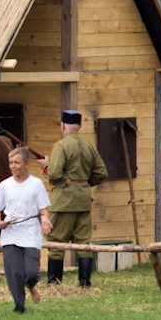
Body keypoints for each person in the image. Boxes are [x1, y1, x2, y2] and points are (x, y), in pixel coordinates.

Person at [39, 110, 108, 287]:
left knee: (56, 243)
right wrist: (82, 184)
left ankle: (54, 283)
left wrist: (45, 165)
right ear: (80, 126)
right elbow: (102, 173)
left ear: (62, 126)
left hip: (63, 202)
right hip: (83, 201)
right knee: (83, 243)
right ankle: (85, 283)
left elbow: (54, 174)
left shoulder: (60, 146)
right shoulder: (89, 146)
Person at [0, 147, 53, 313]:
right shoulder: (4, 185)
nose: (13, 166)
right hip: (11, 232)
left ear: (27, 164)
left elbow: (43, 209)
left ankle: (31, 284)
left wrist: (45, 220)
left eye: (17, 163)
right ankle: (19, 306)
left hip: (30, 231)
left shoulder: (36, 184)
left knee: (31, 271)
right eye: (11, 162)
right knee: (16, 272)